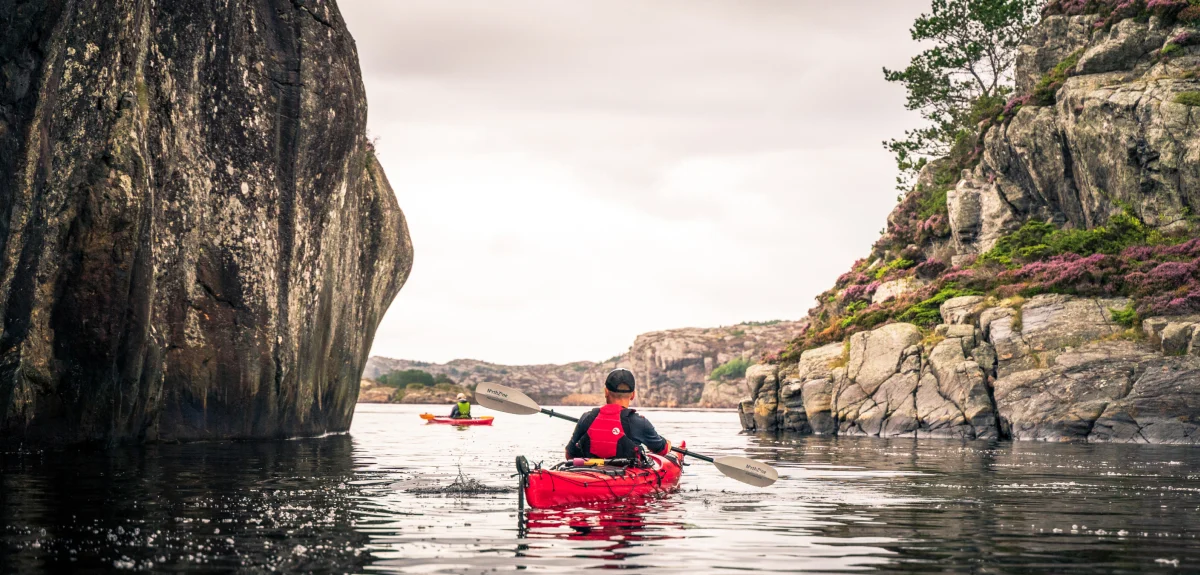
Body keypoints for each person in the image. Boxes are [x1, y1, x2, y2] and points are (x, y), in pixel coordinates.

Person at [565, 369, 671, 461]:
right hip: (626, 478)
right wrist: (668, 444)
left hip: (586, 475)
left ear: (606, 392)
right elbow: (662, 450)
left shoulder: (587, 418)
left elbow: (569, 455)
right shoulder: (640, 422)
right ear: (633, 395)